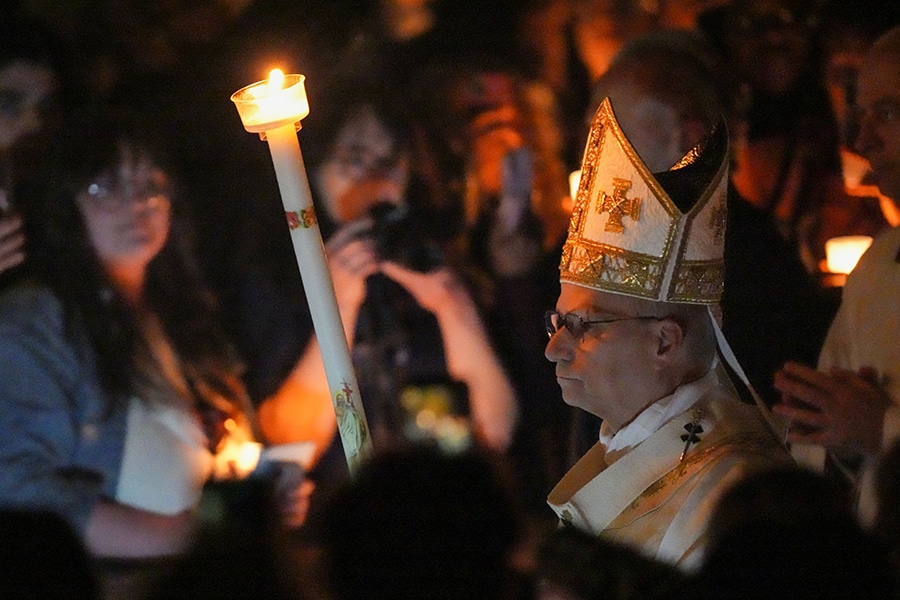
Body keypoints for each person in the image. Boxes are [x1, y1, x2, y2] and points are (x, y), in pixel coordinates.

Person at [0, 107, 332, 599]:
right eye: (106, 187)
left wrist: (256, 497)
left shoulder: (183, 323)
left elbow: (219, 455)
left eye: (151, 185)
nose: (137, 204)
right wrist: (186, 537)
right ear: (65, 205)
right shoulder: (37, 322)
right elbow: (19, 489)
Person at [543, 65, 792, 570]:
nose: (554, 348)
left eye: (581, 326)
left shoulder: (732, 496)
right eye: (557, 322)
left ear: (664, 342)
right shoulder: (630, 450)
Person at [773, 25, 900, 526]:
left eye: (888, 113)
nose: (863, 141)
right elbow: (831, 442)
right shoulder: (877, 267)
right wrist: (824, 422)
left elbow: (870, 429)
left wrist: (882, 430)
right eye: (861, 115)